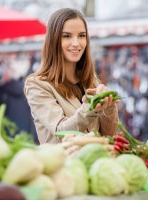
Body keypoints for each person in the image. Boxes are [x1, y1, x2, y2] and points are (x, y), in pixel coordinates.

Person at [24, 8, 119, 144]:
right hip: (63, 164)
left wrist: (109, 108)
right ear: (54, 40)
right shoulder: (37, 84)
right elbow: (61, 132)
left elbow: (108, 137)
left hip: (95, 162)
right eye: (67, 36)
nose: (76, 43)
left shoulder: (91, 81)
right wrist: (90, 108)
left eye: (81, 35)